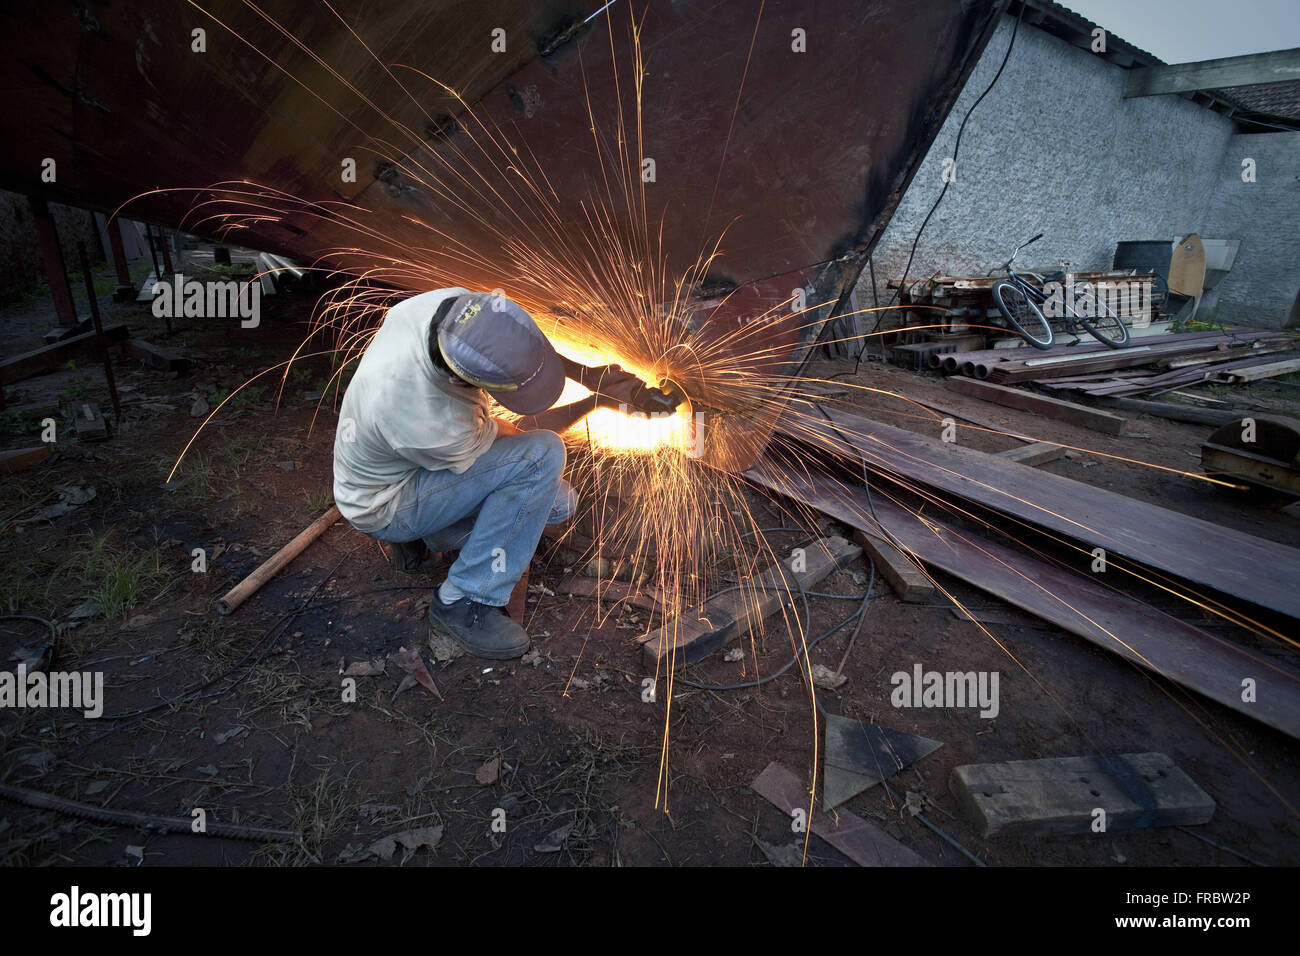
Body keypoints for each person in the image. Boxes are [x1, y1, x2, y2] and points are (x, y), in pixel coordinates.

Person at [332, 288, 678, 660]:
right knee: (543, 458)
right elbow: (525, 442)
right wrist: (598, 402)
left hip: (398, 469)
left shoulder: (453, 311)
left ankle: (428, 538)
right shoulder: (434, 418)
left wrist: (604, 379)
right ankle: (464, 599)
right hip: (386, 506)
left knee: (558, 504)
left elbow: (521, 348)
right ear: (463, 382)